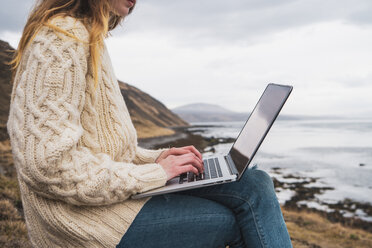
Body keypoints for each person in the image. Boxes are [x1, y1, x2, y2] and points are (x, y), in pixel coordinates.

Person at [7, 0, 292, 247]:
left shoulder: (89, 37)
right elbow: (48, 164)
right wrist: (154, 174)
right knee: (231, 221)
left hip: (105, 201)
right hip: (82, 223)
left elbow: (102, 148)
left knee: (254, 183)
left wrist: (156, 159)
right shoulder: (61, 38)